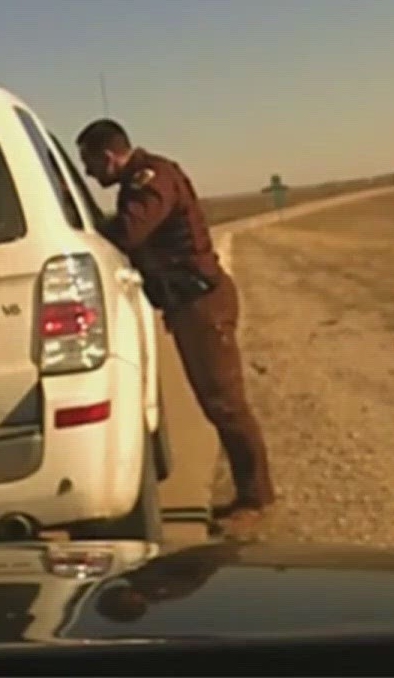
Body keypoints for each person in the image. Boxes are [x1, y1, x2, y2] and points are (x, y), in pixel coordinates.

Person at [74, 118, 277, 534]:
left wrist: (90, 229)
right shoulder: (141, 180)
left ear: (109, 156)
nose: (90, 174)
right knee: (216, 403)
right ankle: (251, 493)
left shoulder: (151, 179)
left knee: (226, 403)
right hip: (189, 305)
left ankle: (256, 498)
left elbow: (130, 233)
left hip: (203, 303)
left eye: (90, 163)